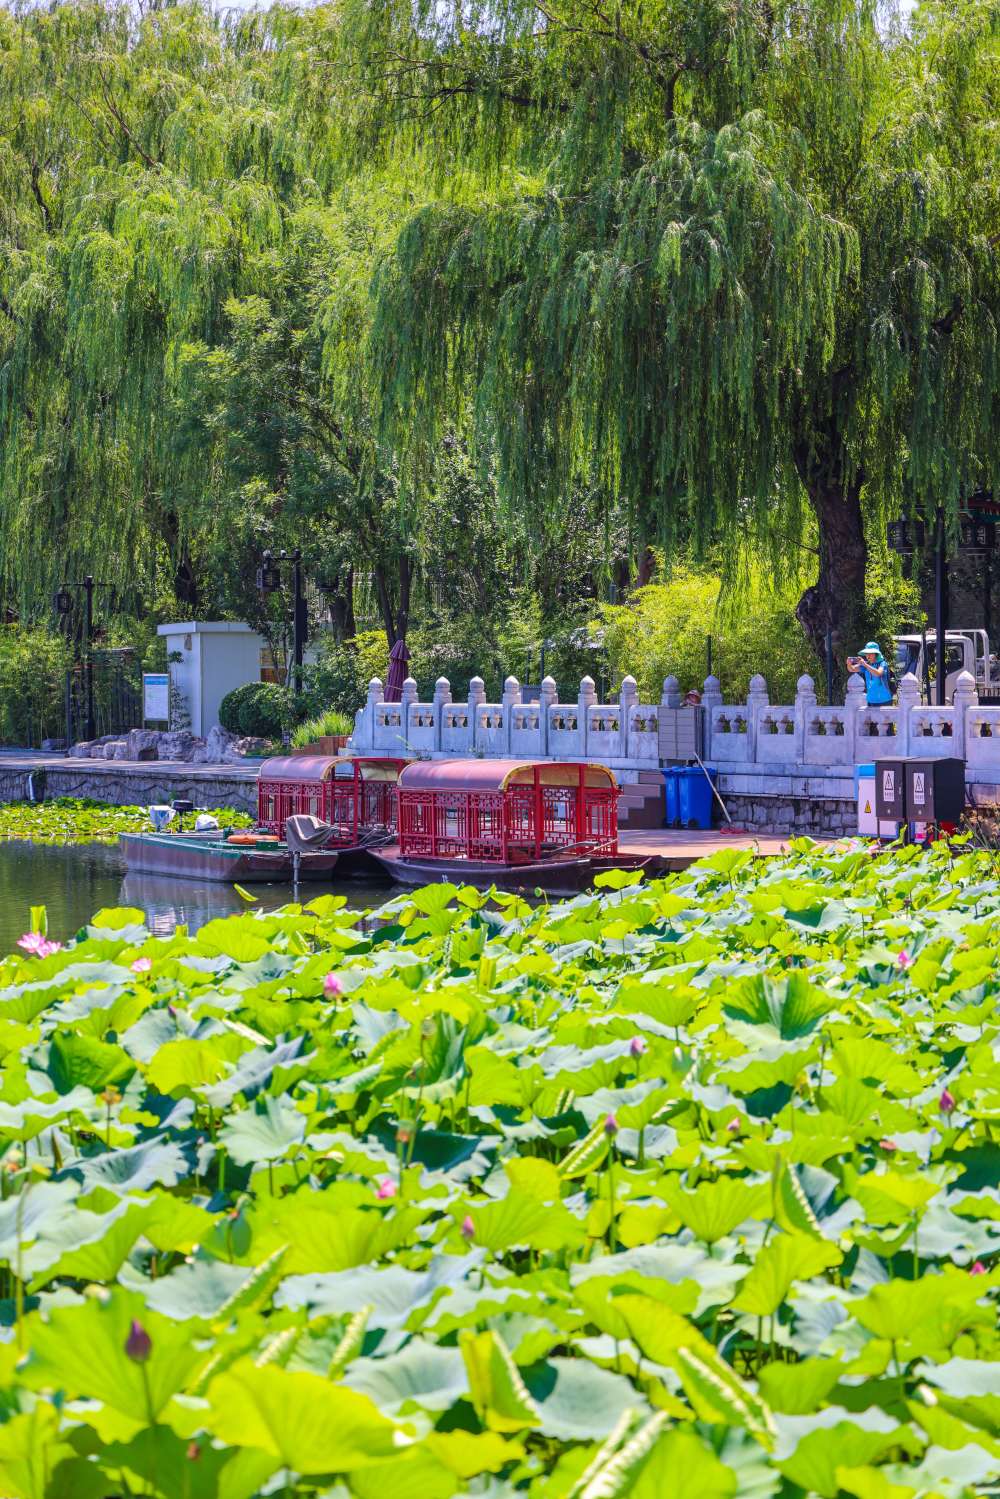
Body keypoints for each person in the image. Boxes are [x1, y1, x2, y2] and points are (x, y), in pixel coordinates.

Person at [847, 641, 893, 705]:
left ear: (876, 654)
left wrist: (865, 664)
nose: (868, 655)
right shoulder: (866, 664)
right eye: (866, 653)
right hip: (871, 700)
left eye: (870, 653)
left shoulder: (882, 663)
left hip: (884, 700)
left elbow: (878, 673)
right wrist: (849, 664)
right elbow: (851, 669)